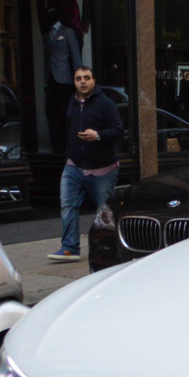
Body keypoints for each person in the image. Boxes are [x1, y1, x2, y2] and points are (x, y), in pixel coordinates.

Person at [48, 66, 124, 262]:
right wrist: (69, 155)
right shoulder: (71, 103)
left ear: (94, 81)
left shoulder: (105, 104)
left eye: (87, 78)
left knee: (105, 213)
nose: (83, 81)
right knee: (68, 205)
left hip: (102, 170)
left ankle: (110, 247)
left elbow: (118, 131)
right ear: (74, 82)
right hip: (74, 166)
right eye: (78, 78)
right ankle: (70, 248)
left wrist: (97, 136)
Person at [42, 8, 81, 156]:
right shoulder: (46, 35)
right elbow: (46, 60)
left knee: (66, 113)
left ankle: (68, 144)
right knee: (51, 112)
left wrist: (78, 80)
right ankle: (56, 145)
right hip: (52, 80)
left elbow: (75, 57)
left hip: (64, 80)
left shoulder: (67, 33)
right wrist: (46, 81)